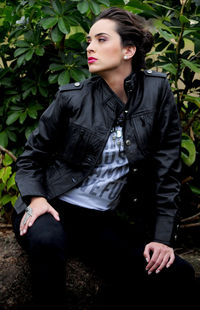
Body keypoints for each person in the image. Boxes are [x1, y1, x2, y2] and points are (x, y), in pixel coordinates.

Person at [12, 7, 196, 310]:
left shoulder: (157, 91)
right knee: (47, 242)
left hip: (100, 220)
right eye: (88, 41)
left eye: (100, 39)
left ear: (128, 50)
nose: (89, 48)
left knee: (177, 273)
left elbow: (167, 170)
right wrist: (35, 198)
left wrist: (163, 238)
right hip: (53, 203)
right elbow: (31, 157)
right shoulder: (72, 97)